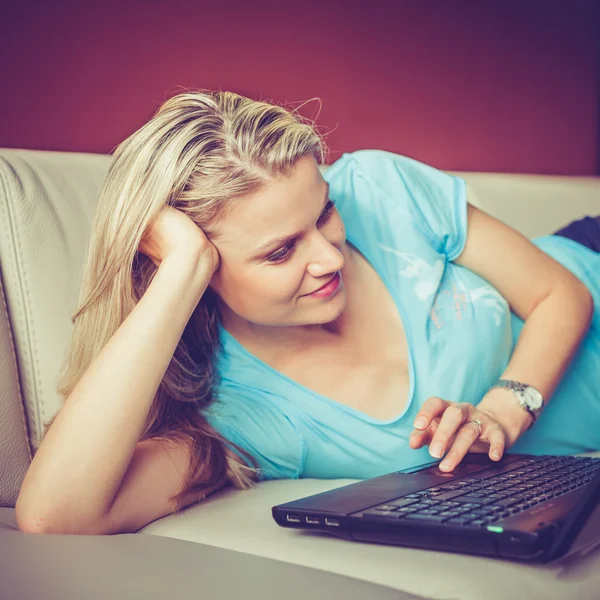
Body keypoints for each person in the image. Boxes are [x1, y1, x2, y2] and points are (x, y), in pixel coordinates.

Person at [16, 90, 600, 535]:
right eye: (278, 251)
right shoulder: (243, 416)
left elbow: (562, 293)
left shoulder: (379, 186)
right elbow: (54, 516)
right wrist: (179, 272)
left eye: (324, 213)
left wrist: (503, 408)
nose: (329, 256)